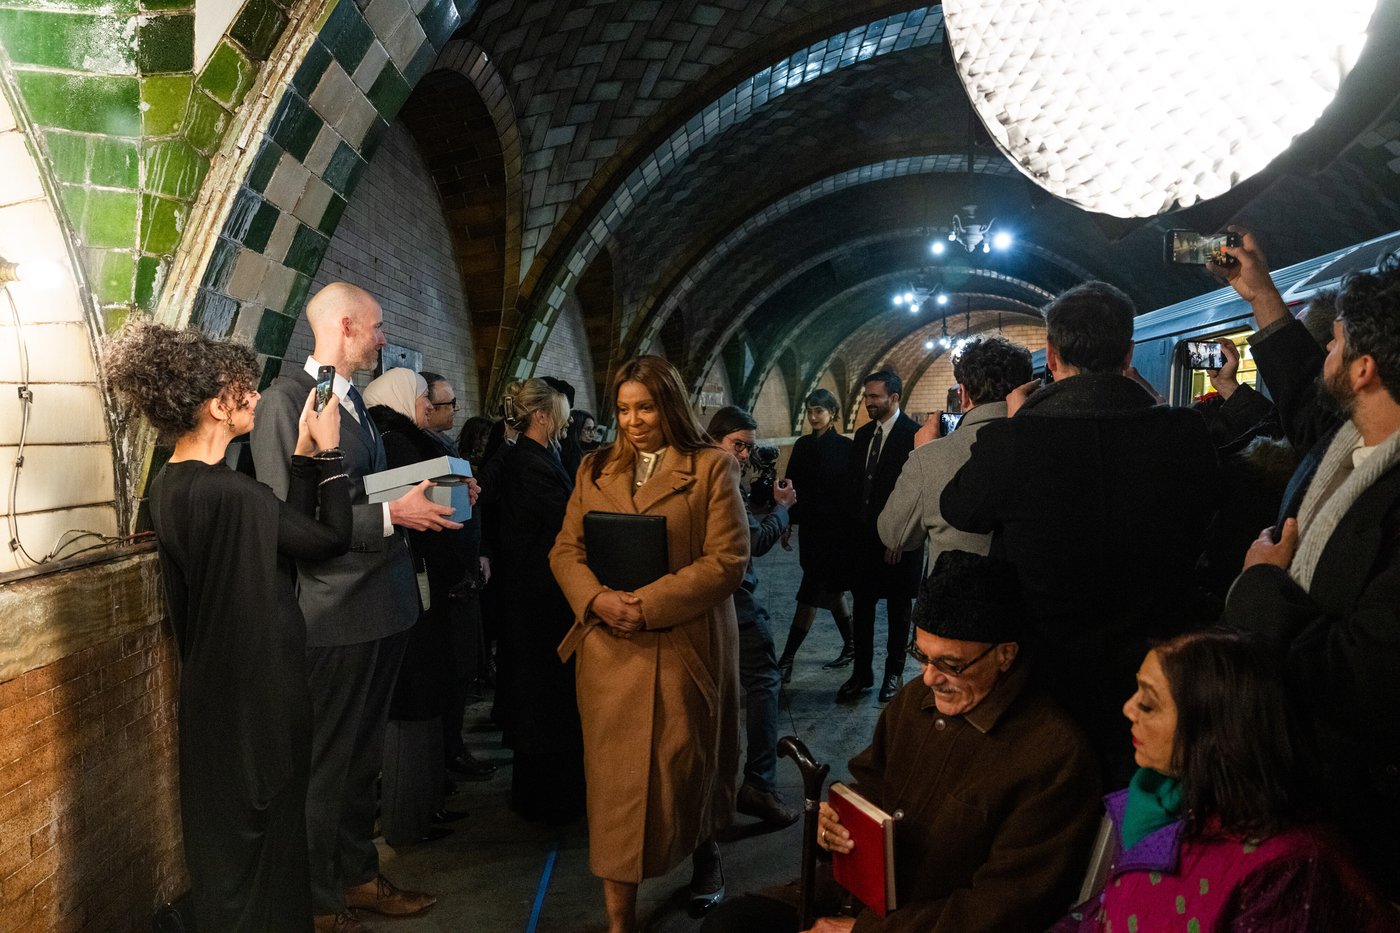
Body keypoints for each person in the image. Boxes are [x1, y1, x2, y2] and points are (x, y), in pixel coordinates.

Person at [702, 551, 1102, 933]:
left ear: (1006, 654)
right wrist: (837, 823)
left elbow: (1003, 909)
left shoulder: (1052, 757)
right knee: (730, 924)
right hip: (854, 897)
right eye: (921, 655)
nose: (928, 678)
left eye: (950, 664)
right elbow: (871, 782)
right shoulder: (916, 700)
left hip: (923, 922)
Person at [104, 321, 350, 931]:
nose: (259, 398)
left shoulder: (172, 487)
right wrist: (330, 454)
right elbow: (326, 540)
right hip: (261, 695)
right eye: (247, 389)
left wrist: (296, 457)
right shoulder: (234, 496)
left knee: (234, 840)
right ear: (219, 405)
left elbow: (277, 540)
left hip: (214, 692)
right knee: (271, 834)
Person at [939, 281, 1220, 784]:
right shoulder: (1184, 434)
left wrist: (1020, 421)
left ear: (1051, 354)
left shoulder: (1013, 440)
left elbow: (959, 507)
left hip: (1047, 677)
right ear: (1129, 352)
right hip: (1161, 677)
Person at [251, 282, 464, 932]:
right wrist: (391, 513)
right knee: (328, 768)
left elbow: (357, 485)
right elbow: (293, 511)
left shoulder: (352, 401)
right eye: (375, 328)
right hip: (334, 613)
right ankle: (318, 903)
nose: (382, 339)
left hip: (381, 605)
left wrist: (441, 484)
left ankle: (358, 876)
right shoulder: (287, 401)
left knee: (362, 764)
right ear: (345, 325)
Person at [1215, 237, 1400, 898]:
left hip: (1357, 817)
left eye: (1335, 341)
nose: (1326, 349)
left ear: (1363, 370)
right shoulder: (1352, 434)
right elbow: (1303, 395)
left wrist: (1262, 585)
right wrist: (1262, 295)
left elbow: (1363, 674)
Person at [549, 356, 749, 932]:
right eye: (624, 408)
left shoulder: (711, 468)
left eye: (646, 406)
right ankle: (620, 920)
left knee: (689, 766)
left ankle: (707, 852)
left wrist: (647, 603)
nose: (634, 420)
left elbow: (728, 560)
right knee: (615, 789)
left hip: (685, 646)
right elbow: (566, 550)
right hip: (610, 651)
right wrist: (596, 600)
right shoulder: (593, 469)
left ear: (670, 406)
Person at [1056, 630, 1399, 932]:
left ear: (1213, 733)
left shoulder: (1291, 867)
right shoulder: (1157, 803)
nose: (1128, 709)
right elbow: (1106, 914)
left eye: (1149, 702)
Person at [480, 378, 585, 824]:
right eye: (559, 411)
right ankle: (547, 798)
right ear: (542, 415)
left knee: (545, 698)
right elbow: (566, 519)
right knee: (543, 698)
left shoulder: (538, 456)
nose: (565, 419)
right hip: (537, 599)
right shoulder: (530, 462)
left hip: (537, 594)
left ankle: (547, 791)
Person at [706, 405, 801, 828]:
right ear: (714, 440)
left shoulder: (700, 473)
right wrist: (782, 510)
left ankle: (716, 790)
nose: (744, 455)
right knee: (764, 682)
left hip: (711, 605)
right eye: (737, 445)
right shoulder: (720, 481)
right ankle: (759, 785)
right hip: (739, 604)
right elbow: (752, 544)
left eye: (748, 447)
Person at [878, 335, 1032, 570]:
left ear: (964, 394)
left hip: (958, 599)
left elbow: (894, 534)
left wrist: (924, 454)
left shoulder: (931, 456)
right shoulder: (1053, 445)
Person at [839, 371, 922, 703]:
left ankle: (894, 674)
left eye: (874, 396)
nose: (867, 402)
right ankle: (861, 674)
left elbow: (917, 494)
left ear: (894, 398)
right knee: (862, 609)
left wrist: (900, 537)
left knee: (899, 611)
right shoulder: (862, 436)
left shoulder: (914, 436)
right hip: (864, 542)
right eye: (865, 396)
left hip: (899, 543)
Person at [777, 389, 856, 681]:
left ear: (832, 414)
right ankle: (851, 645)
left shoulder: (846, 448)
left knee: (809, 592)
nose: (813, 417)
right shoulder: (802, 446)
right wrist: (786, 523)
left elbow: (851, 495)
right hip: (811, 531)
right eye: (810, 411)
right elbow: (791, 486)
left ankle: (786, 659)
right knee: (832, 590)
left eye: (819, 411)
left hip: (835, 534)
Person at [419, 371, 460, 454]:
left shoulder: (444, 443)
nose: (458, 408)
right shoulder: (421, 450)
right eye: (452, 403)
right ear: (428, 410)